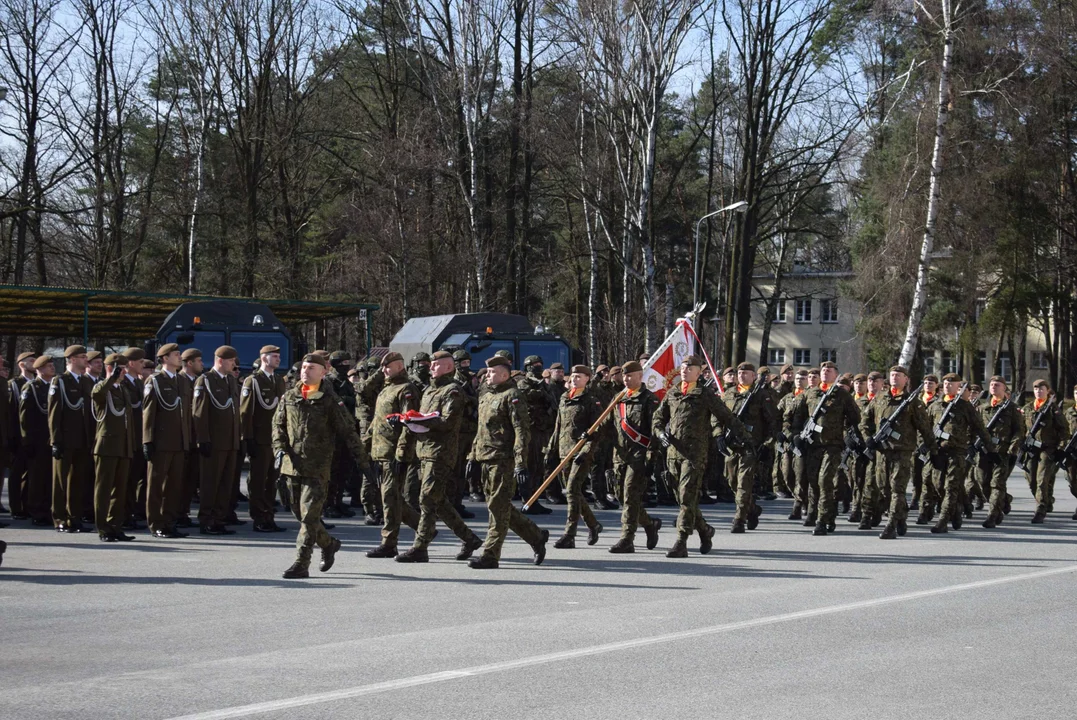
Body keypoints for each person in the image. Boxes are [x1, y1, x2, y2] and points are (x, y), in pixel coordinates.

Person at [274, 354, 371, 579]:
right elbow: (277, 426)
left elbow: (348, 431)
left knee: (309, 518)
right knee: (300, 514)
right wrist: (278, 449)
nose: (305, 371)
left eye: (311, 368)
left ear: (323, 372)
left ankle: (301, 562)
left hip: (318, 467)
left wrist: (363, 462)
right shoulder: (289, 396)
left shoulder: (329, 400)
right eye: (304, 367)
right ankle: (328, 544)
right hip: (292, 466)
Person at [653, 355, 748, 557]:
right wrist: (660, 433)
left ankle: (681, 541)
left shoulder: (705, 395)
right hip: (673, 454)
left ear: (698, 372)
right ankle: (705, 530)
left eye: (690, 368)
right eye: (683, 368)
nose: (685, 371)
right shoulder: (673, 392)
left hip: (694, 455)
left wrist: (745, 438)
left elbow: (726, 416)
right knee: (684, 500)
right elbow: (658, 418)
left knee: (687, 497)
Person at [396, 350, 483, 563]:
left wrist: (421, 420)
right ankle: (469, 538)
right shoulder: (428, 391)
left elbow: (447, 423)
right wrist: (408, 421)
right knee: (438, 500)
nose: (431, 367)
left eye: (436, 365)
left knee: (426, 498)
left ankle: (420, 546)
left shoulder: (453, 391)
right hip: (424, 451)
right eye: (431, 364)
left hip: (440, 453)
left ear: (448, 367)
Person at [466, 355, 548, 569]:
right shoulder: (486, 396)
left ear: (504, 375)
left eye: (492, 372)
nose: (487, 376)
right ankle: (536, 536)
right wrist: (472, 456)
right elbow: (481, 430)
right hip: (485, 458)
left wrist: (520, 462)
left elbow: (522, 431)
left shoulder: (513, 396)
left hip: (503, 459)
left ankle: (490, 555)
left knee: (497, 507)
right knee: (500, 507)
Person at [859, 366, 938, 539]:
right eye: (892, 375)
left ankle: (891, 525)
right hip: (882, 451)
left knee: (897, 489)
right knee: (884, 490)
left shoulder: (913, 402)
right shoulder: (879, 398)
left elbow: (924, 428)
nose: (895, 378)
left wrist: (933, 450)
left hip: (902, 452)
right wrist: (868, 439)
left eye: (899, 375)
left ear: (906, 379)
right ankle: (901, 518)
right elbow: (865, 422)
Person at [923, 373, 997, 534]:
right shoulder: (935, 405)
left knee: (951, 487)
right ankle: (956, 509)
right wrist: (926, 447)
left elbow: (980, 428)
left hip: (957, 452)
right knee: (938, 485)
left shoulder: (965, 406)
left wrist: (991, 449)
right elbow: (925, 428)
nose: (948, 385)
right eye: (946, 383)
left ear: (958, 387)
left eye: (952, 383)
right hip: (938, 452)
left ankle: (942, 521)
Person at [366, 352, 421, 558]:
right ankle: (425, 530)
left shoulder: (406, 389)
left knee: (390, 498)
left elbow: (410, 423)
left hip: (394, 453)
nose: (383, 370)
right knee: (393, 498)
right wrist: (365, 446)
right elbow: (377, 422)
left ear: (399, 366)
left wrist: (401, 453)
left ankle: (389, 543)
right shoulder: (387, 389)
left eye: (387, 367)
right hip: (380, 451)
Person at [548, 365, 604, 549]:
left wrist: (585, 451)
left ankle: (569, 534)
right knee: (574, 493)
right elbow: (558, 426)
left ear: (587, 379)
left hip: (581, 452)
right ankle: (593, 524)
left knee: (572, 490)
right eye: (572, 376)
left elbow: (596, 430)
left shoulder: (591, 401)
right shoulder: (565, 398)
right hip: (564, 451)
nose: (574, 379)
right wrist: (550, 450)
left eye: (579, 376)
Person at [608, 361, 661, 553]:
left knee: (631, 495)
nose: (626, 379)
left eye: (630, 375)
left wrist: (651, 458)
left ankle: (627, 539)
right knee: (622, 497)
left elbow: (655, 432)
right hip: (620, 455)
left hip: (639, 455)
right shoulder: (618, 398)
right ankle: (649, 524)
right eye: (624, 376)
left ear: (640, 376)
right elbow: (607, 425)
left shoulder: (649, 399)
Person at [720, 362, 777, 533]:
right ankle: (752, 509)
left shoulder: (761, 395)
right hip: (731, 446)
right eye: (740, 373)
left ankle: (739, 519)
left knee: (744, 484)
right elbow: (718, 417)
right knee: (732, 481)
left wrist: (768, 444)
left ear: (753, 376)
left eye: (746, 373)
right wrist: (718, 435)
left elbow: (772, 422)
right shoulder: (729, 394)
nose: (742, 375)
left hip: (750, 446)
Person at [143, 343, 191, 539]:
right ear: (164, 359)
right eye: (176, 354)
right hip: (161, 441)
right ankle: (156, 523)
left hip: (179, 442)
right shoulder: (154, 381)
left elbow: (186, 414)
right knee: (156, 485)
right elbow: (148, 412)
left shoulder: (182, 381)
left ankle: (169, 521)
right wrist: (147, 440)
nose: (180, 357)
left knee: (174, 485)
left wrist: (187, 440)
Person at [193, 346, 241, 536]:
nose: (234, 364)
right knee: (210, 483)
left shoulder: (230, 380)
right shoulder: (205, 380)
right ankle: (207, 519)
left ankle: (219, 519)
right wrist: (203, 438)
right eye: (231, 361)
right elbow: (199, 412)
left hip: (230, 442)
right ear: (220, 360)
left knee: (225, 484)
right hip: (214, 442)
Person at [240, 345, 286, 532]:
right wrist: (248, 438)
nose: (278, 359)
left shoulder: (278, 380)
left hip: (275, 441)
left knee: (272, 481)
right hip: (259, 439)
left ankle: (269, 516)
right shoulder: (253, 381)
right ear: (264, 358)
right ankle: (259, 517)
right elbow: (245, 412)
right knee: (258, 481)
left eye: (278, 356)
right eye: (274, 356)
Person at [48, 345, 93, 533]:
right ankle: (59, 517)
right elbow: (54, 414)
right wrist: (55, 440)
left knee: (77, 481)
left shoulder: (85, 382)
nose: (86, 361)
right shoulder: (60, 381)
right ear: (72, 359)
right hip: (65, 439)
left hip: (82, 439)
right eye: (83, 357)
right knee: (60, 481)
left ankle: (74, 517)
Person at [91, 354, 135, 542]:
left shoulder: (123, 389)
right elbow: (97, 395)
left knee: (120, 489)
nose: (124, 371)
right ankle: (103, 528)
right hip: (107, 445)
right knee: (104, 489)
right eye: (121, 368)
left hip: (123, 445)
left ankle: (115, 525)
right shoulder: (103, 387)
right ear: (111, 368)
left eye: (125, 367)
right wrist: (110, 378)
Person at [975, 376, 1024, 528]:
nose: (994, 387)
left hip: (1002, 453)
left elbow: (1019, 431)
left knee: (997, 484)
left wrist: (1012, 450)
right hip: (984, 452)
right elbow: (974, 428)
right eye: (991, 384)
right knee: (983, 483)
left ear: (1004, 388)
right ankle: (1004, 500)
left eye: (997, 385)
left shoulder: (1011, 408)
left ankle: (992, 515)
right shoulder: (982, 408)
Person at [1021, 379, 1069, 524]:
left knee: (1042, 480)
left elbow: (1064, 430)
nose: (1038, 391)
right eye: (1036, 389)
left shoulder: (1053, 409)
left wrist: (1061, 448)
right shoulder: (1028, 408)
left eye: (1041, 389)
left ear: (1047, 391)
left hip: (1047, 449)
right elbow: (1021, 428)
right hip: (1031, 449)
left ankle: (1040, 510)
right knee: (1031, 480)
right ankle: (1047, 499)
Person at [516, 355, 556, 515]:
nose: (538, 367)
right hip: (530, 430)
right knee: (530, 466)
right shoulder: (523, 383)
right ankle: (528, 500)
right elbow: (525, 397)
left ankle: (535, 498)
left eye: (540, 364)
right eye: (534, 365)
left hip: (543, 429)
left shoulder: (544, 385)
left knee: (540, 466)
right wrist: (539, 391)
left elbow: (551, 401)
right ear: (528, 367)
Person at [21, 356, 55, 526]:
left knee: (49, 478)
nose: (52, 368)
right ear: (39, 369)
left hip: (51, 439)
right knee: (37, 477)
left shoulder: (53, 386)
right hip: (37, 439)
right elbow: (25, 417)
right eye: (48, 366)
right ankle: (36, 511)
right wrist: (27, 440)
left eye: (52, 365)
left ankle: (48, 509)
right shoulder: (32, 387)